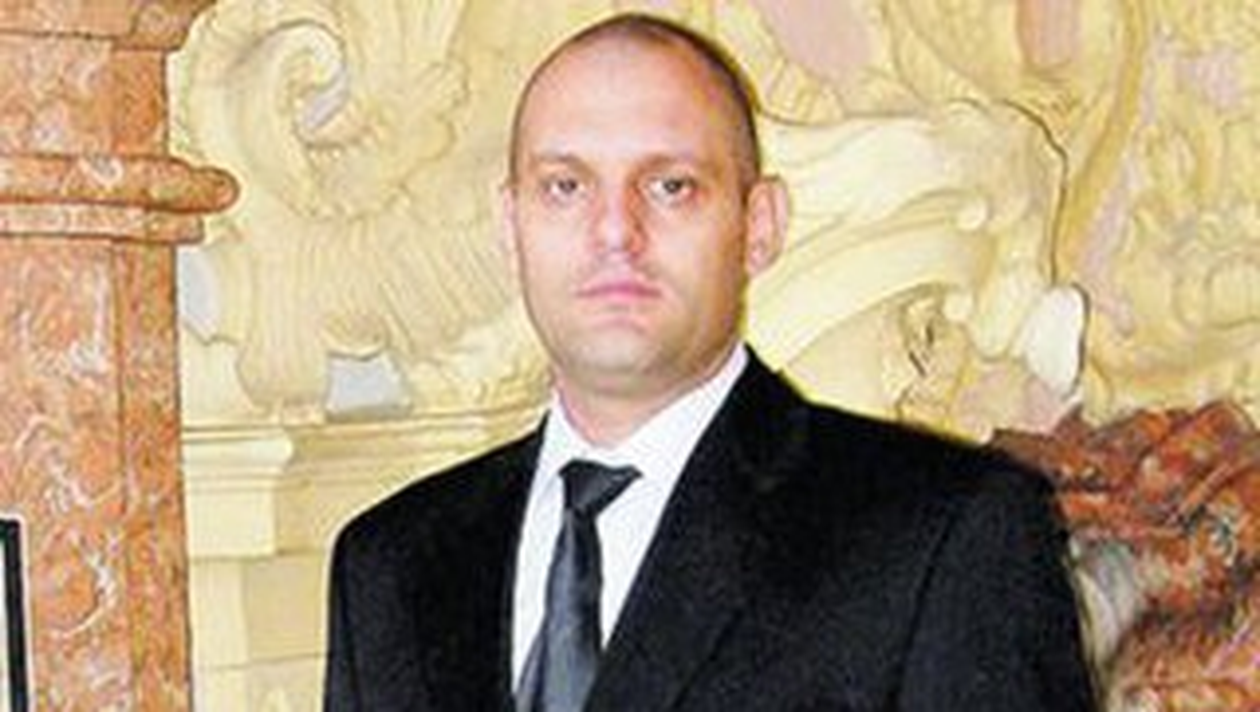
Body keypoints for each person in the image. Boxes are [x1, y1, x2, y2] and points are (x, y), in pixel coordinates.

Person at [323, 12, 1097, 711]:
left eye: (670, 186)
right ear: (510, 224)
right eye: (565, 186)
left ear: (759, 225)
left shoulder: (943, 536)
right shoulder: (390, 568)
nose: (615, 230)